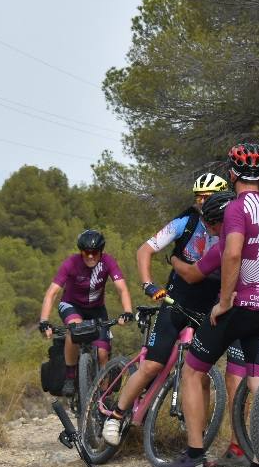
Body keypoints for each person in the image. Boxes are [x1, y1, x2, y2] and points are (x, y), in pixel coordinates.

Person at [172, 142, 259, 467]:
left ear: (231, 174)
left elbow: (232, 253)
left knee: (193, 371)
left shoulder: (236, 209)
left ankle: (195, 452)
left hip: (239, 307)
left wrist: (226, 300)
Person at [100, 173, 235, 452]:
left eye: (207, 196)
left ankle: (197, 430)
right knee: (152, 364)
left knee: (201, 373)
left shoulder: (232, 227)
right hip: (176, 300)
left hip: (208, 307)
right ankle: (116, 413)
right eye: (198, 196)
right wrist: (149, 284)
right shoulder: (185, 221)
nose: (201, 201)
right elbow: (144, 250)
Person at [39, 229, 134, 397]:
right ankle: (70, 376)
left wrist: (127, 311)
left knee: (102, 353)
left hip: (96, 309)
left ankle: (105, 396)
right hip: (71, 305)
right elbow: (52, 293)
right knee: (75, 329)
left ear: (101, 251)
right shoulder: (71, 263)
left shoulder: (108, 262)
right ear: (81, 251)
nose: (90, 256)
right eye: (86, 252)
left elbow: (121, 289)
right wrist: (44, 320)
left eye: (94, 252)